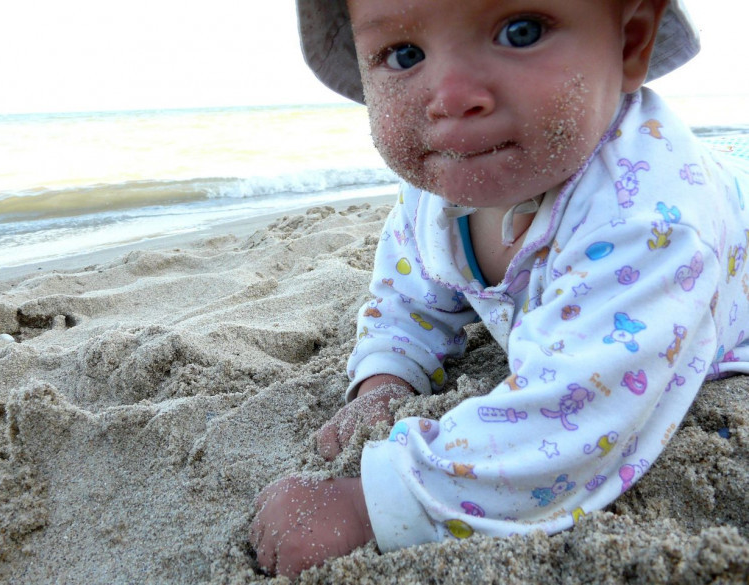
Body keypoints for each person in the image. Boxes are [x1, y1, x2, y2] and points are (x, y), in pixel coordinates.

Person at [250, 0, 749, 577]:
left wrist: (377, 505)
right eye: (404, 54)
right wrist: (387, 374)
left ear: (629, 42)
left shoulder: (649, 218)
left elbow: (577, 418)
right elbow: (407, 293)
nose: (451, 96)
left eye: (521, 31)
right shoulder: (443, 179)